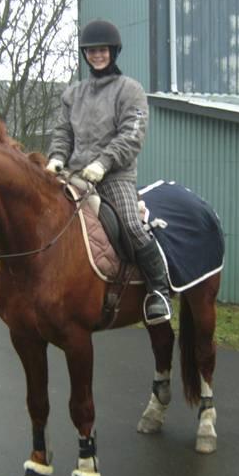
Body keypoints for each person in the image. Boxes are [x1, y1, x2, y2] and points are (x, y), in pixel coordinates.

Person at [46, 19, 172, 325]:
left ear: (113, 52)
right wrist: (56, 159)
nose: (97, 55)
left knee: (131, 225)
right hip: (75, 174)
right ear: (85, 54)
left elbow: (132, 133)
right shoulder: (73, 94)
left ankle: (159, 291)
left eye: (102, 50)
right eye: (91, 51)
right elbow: (63, 132)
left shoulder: (130, 90)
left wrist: (103, 163)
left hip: (115, 176)